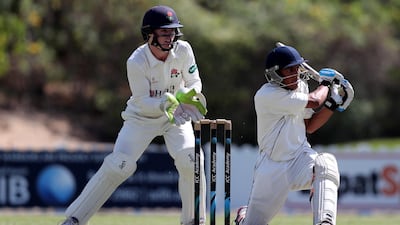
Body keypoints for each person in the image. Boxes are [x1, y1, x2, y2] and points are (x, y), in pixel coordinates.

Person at [60, 5, 207, 225]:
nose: (170, 36)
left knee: (192, 159)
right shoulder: (137, 61)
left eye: (172, 31)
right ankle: (75, 219)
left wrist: (189, 94)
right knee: (119, 164)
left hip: (176, 116)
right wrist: (163, 103)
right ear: (150, 34)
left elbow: (195, 82)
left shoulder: (184, 50)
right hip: (142, 118)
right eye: (164, 32)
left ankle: (194, 221)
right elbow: (141, 101)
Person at [234, 45, 354, 225]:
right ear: (275, 73)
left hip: (300, 158)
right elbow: (314, 101)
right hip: (271, 167)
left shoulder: (302, 87)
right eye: (291, 69)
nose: (296, 73)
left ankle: (324, 221)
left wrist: (332, 104)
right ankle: (244, 216)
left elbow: (310, 126)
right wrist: (325, 84)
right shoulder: (266, 95)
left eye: (298, 68)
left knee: (326, 163)